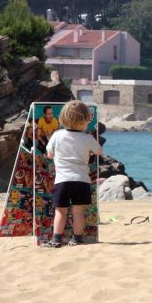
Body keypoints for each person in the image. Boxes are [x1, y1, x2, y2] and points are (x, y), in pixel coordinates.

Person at [44, 100, 102, 248]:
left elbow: (49, 154)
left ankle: (56, 239)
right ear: (84, 120)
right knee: (78, 212)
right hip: (82, 180)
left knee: (60, 212)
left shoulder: (57, 135)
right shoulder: (87, 138)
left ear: (63, 119)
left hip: (63, 180)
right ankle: (77, 238)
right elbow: (98, 151)